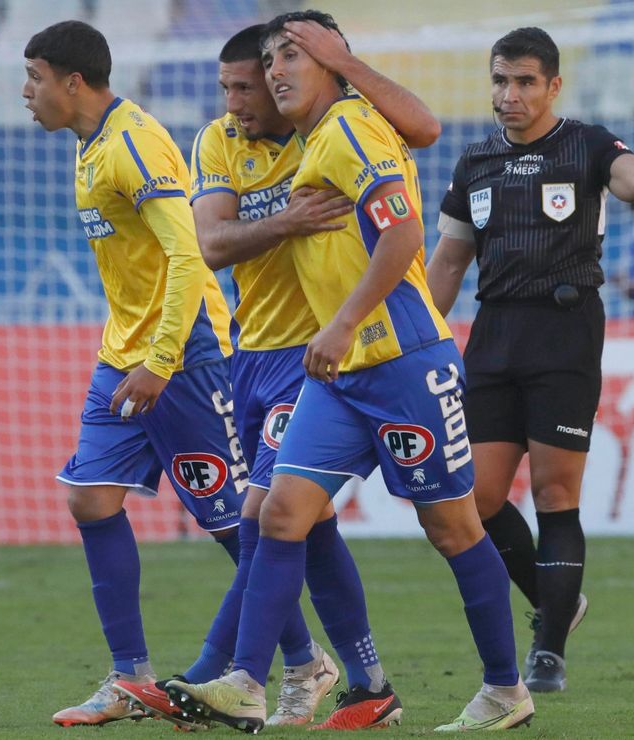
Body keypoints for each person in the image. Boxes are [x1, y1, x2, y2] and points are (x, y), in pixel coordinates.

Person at [165, 11, 535, 733]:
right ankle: (245, 680)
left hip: (400, 360)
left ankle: (505, 689)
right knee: (279, 511)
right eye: (271, 58)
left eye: (292, 56)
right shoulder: (312, 137)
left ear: (332, 61)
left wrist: (338, 324)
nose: (276, 71)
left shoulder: (351, 128)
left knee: (454, 528)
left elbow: (403, 236)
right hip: (338, 375)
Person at [115, 20, 444, 729]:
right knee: (306, 522)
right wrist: (290, 221)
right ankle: (360, 679)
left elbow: (423, 127)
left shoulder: (324, 125)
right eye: (227, 86)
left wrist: (344, 62)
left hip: (317, 355)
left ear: (283, 81)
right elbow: (212, 243)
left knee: (269, 514)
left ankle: (219, 673)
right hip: (250, 355)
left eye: (247, 87)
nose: (234, 102)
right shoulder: (216, 142)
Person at [426, 26, 634, 693]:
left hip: (565, 333)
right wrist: (414, 333)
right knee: (476, 499)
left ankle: (548, 651)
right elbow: (449, 261)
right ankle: (561, 603)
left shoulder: (586, 143)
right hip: (493, 337)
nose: (508, 95)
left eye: (523, 82)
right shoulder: (475, 161)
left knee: (553, 493)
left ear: (552, 86)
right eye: (499, 81)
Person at [22, 21, 250, 727]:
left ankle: (308, 664)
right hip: (123, 355)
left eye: (34, 78)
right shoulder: (88, 148)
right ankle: (131, 678)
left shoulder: (134, 142)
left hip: (185, 357)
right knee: (89, 498)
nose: (26, 94)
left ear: (73, 82)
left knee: (241, 530)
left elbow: (189, 257)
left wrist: (159, 361)